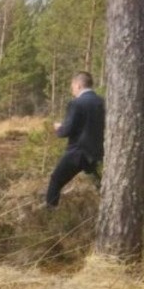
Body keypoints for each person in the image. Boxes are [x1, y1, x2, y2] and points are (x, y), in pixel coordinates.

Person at [46, 71, 105, 208]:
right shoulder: (102, 102)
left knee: (56, 180)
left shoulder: (76, 103)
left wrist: (59, 128)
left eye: (72, 87)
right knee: (101, 186)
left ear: (78, 85)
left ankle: (49, 214)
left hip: (77, 153)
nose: (72, 90)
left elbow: (67, 130)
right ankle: (108, 211)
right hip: (96, 153)